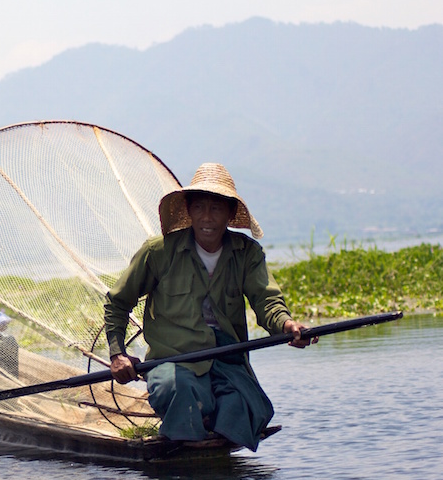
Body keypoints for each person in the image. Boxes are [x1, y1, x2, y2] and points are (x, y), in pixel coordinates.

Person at [104, 162, 316, 451]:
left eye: (216, 209)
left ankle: (205, 432)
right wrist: (118, 354)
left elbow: (267, 302)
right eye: (200, 208)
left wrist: (288, 326)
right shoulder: (159, 252)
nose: (207, 218)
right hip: (173, 358)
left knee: (250, 406)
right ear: (189, 211)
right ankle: (187, 439)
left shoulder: (246, 253)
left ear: (230, 214)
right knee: (176, 389)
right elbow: (118, 303)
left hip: (227, 356)